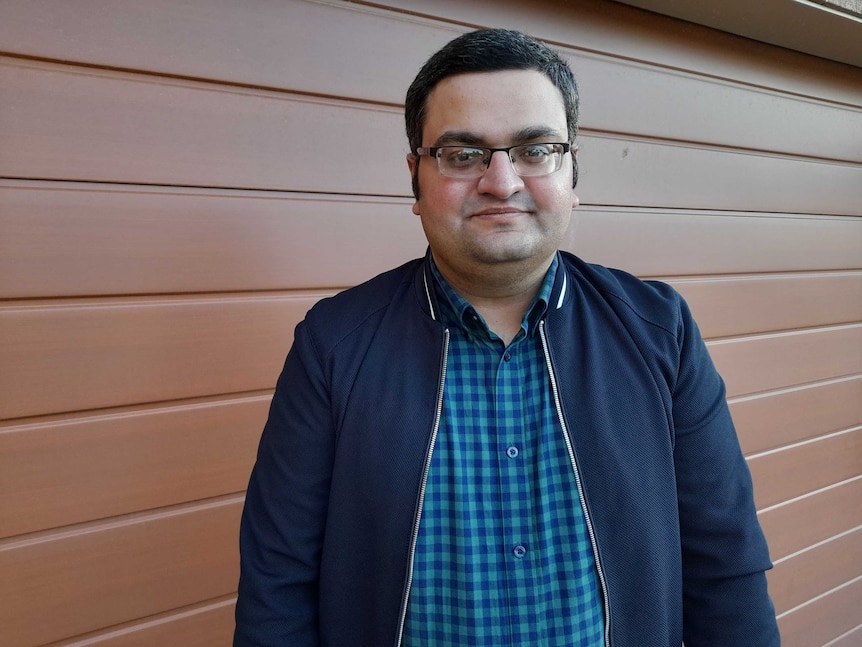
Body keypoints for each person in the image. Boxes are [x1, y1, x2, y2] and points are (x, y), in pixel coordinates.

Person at [234, 29, 780, 646]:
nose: (501, 181)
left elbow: (725, 566)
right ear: (415, 178)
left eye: (534, 148)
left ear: (573, 172)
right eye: (462, 154)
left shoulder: (659, 330)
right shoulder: (334, 345)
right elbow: (276, 586)